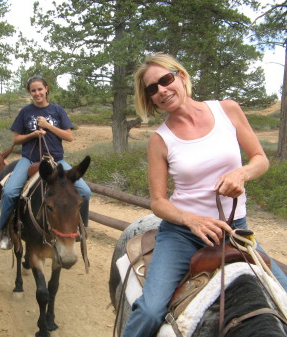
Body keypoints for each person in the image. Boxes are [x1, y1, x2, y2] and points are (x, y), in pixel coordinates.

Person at [122, 53, 287, 337]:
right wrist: (192, 221)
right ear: (150, 99)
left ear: (181, 77)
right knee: (150, 311)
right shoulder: (160, 140)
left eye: (165, 80)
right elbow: (158, 202)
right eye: (152, 89)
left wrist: (241, 174)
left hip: (235, 230)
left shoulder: (228, 110)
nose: (161, 90)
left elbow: (260, 158)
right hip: (182, 235)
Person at [0, 75, 91, 250]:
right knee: (9, 192)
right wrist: (32, 134)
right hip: (29, 160)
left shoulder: (57, 110)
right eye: (33, 90)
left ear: (47, 89)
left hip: (56, 160)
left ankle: (80, 229)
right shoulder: (25, 112)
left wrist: (48, 126)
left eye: (40, 89)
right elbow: (16, 140)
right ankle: (3, 230)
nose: (37, 93)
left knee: (85, 191)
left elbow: (69, 136)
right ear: (29, 93)